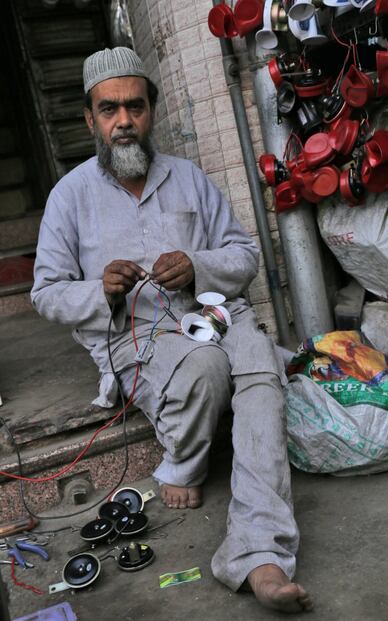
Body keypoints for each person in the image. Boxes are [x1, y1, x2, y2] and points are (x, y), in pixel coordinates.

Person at [31, 47, 312, 613]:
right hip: (136, 336)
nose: (123, 121)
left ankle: (259, 553)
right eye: (109, 110)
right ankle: (183, 458)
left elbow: (244, 253)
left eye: (134, 106)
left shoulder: (189, 180)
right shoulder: (70, 197)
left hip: (210, 314)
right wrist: (98, 289)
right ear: (90, 120)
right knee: (206, 367)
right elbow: (45, 292)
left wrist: (199, 265)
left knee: (257, 359)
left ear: (151, 112)